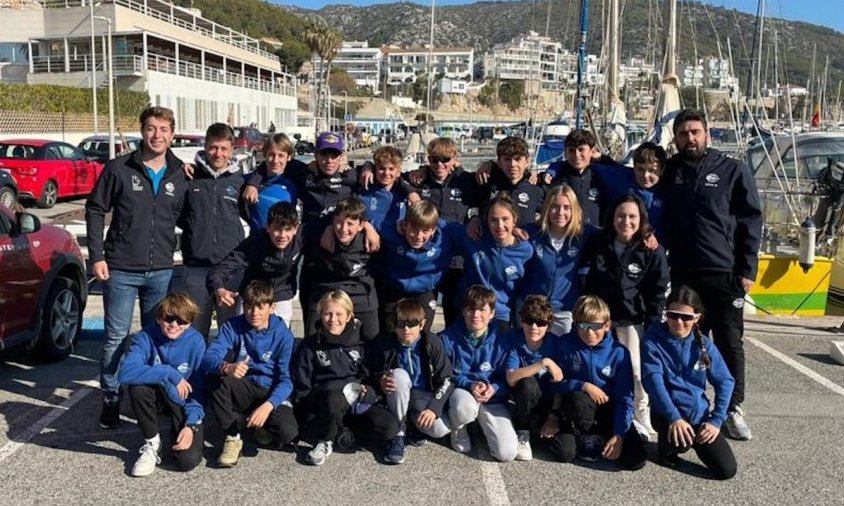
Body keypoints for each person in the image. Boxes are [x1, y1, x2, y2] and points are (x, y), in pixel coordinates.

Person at [662, 109, 762, 440]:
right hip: (685, 274)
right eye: (682, 134)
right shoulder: (671, 171)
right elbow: (634, 177)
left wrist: (747, 269)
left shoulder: (732, 169)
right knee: (688, 343)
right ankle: (692, 406)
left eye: (695, 132)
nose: (689, 138)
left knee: (730, 342)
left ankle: (732, 408)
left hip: (725, 273)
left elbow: (751, 220)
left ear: (707, 134)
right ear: (675, 139)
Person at [86, 106, 187, 429]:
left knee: (155, 337)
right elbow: (95, 209)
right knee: (116, 336)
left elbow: (187, 216)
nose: (157, 135)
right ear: (142, 131)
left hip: (160, 270)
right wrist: (97, 255)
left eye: (163, 129)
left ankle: (148, 395)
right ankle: (111, 398)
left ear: (172, 134)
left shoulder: (179, 173)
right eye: (151, 128)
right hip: (120, 268)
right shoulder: (119, 168)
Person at [580, 194, 669, 437]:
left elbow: (658, 292)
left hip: (631, 320)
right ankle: (605, 415)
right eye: (621, 215)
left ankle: (641, 413)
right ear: (612, 217)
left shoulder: (651, 250)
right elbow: (585, 273)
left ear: (642, 220)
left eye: (632, 216)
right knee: (599, 368)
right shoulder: (598, 240)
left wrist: (652, 327)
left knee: (636, 371)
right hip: (600, 320)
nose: (626, 221)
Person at [292, 290, 400, 466]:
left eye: (339, 314)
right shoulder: (310, 345)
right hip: (326, 402)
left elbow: (371, 376)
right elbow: (303, 386)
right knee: (334, 394)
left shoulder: (362, 343)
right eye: (328, 314)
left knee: (389, 428)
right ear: (321, 315)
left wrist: (370, 390)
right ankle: (325, 441)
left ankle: (344, 432)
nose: (333, 319)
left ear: (349, 316)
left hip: (357, 402)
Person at [642, 285, 738, 480]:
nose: (678, 321)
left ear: (697, 318)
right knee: (680, 444)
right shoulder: (652, 341)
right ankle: (667, 446)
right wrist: (674, 418)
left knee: (726, 470)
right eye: (673, 315)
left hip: (699, 415)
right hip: (668, 413)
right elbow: (654, 383)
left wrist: (715, 420)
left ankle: (687, 436)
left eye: (686, 317)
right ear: (666, 314)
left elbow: (726, 381)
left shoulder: (704, 344)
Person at [201, 280, 299, 468]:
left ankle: (257, 424)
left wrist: (268, 406)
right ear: (243, 306)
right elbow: (208, 358)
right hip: (244, 385)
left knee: (288, 433)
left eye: (261, 307)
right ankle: (233, 436)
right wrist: (226, 367)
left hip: (269, 390)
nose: (254, 313)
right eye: (249, 307)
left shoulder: (283, 335)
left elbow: (287, 381)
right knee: (215, 377)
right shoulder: (233, 326)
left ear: (272, 308)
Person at [549, 295, 646, 470]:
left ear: (607, 325)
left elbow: (625, 398)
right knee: (564, 453)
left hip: (609, 409)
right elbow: (554, 383)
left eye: (595, 327)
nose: (589, 332)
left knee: (636, 460)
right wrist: (583, 385)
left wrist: (619, 435)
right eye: (583, 326)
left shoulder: (620, 352)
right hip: (578, 406)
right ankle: (587, 435)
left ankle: (605, 434)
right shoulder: (565, 344)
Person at [118, 293, 206, 477]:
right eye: (169, 318)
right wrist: (168, 373)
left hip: (182, 402)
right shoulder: (144, 337)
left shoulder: (196, 341)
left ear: (189, 322)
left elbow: (199, 390)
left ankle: (182, 429)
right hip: (157, 395)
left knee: (186, 461)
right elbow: (126, 373)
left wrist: (191, 425)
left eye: (182, 320)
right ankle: (152, 443)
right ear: (159, 318)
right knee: (138, 386)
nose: (174, 324)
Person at [174, 123, 245, 340]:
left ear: (232, 150)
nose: (218, 154)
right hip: (197, 267)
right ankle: (197, 372)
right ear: (205, 146)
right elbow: (178, 214)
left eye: (224, 149)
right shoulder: (190, 177)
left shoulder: (241, 181)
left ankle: (225, 371)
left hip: (229, 269)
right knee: (195, 330)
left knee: (229, 330)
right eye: (213, 148)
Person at [403, 137, 480, 327]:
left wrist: (476, 217)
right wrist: (411, 191)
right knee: (423, 322)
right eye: (434, 159)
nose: (440, 164)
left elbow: (488, 193)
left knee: (455, 322)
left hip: (457, 263)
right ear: (428, 159)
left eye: (445, 159)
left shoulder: (467, 181)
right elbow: (392, 175)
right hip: (428, 263)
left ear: (455, 159)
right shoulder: (418, 180)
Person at [368, 299, 455, 464]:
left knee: (439, 430)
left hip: (423, 395)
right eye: (401, 325)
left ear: (422, 324)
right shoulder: (384, 344)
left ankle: (412, 423)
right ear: (394, 325)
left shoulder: (432, 342)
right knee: (399, 375)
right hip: (396, 395)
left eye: (412, 324)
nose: (406, 329)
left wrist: (433, 408)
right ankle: (399, 434)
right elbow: (370, 373)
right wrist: (380, 380)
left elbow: (447, 379)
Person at [440, 285, 518, 462]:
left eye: (482, 310)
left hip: (492, 398)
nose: (476, 315)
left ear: (492, 314)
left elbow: (509, 378)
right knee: (464, 408)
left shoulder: (503, 341)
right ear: (463, 311)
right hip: (463, 393)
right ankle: (459, 427)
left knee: (506, 454)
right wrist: (469, 384)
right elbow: (445, 374)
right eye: (470, 309)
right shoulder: (447, 338)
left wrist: (495, 388)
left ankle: (484, 423)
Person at [208, 202, 302, 326]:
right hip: (252, 297)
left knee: (278, 336)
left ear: (295, 229)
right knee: (245, 337)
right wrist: (219, 289)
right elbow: (220, 270)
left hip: (281, 296)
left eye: (288, 230)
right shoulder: (254, 243)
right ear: (268, 227)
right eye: (277, 229)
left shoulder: (303, 238)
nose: (282, 236)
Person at [451, 193, 534, 332]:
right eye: (493, 220)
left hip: (500, 316)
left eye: (505, 219)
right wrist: (474, 218)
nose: (500, 225)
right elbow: (444, 228)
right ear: (487, 222)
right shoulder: (475, 237)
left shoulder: (526, 251)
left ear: (514, 220)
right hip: (469, 312)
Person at [519, 184, 596, 335]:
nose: (560, 212)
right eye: (554, 206)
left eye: (567, 207)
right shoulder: (531, 233)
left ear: (574, 210)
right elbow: (502, 227)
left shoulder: (584, 235)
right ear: (546, 208)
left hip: (565, 311)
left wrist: (647, 233)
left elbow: (615, 233)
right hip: (533, 310)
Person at [302, 197, 380, 340]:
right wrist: (328, 227)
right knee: (312, 337)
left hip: (360, 293)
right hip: (326, 290)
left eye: (350, 224)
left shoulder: (371, 240)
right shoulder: (320, 235)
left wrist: (370, 228)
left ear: (361, 225)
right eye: (338, 223)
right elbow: (301, 229)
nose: (344, 229)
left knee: (373, 338)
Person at [376, 200, 458, 333]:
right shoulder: (392, 232)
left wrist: (475, 220)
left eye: (425, 231)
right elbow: (369, 223)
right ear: (405, 225)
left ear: (433, 230)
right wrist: (369, 230)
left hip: (425, 291)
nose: (419, 236)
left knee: (422, 334)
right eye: (414, 229)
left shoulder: (446, 236)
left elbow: (469, 233)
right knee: (390, 333)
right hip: (395, 288)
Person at [504, 295, 564, 461]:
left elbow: (561, 384)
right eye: (529, 321)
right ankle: (523, 431)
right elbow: (511, 378)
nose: (534, 327)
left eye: (541, 323)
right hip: (522, 400)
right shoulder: (514, 339)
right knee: (527, 382)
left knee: (564, 452)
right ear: (522, 321)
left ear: (549, 325)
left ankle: (543, 425)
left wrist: (554, 416)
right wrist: (543, 363)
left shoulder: (556, 343)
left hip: (548, 403)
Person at [543, 129, 610, 226]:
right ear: (565, 152)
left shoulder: (602, 176)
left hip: (596, 238)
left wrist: (603, 158)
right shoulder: (554, 178)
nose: (576, 155)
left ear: (593, 151)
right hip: (566, 237)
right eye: (571, 150)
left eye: (581, 149)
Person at [475, 136, 545, 225]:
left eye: (518, 159)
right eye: (507, 159)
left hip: (523, 238)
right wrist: (474, 219)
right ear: (499, 162)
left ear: (527, 161)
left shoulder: (536, 189)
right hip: (490, 237)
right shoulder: (487, 181)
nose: (512, 164)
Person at [358, 145, 411, 231]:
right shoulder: (364, 188)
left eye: (391, 169)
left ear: (398, 172)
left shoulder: (404, 193)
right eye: (382, 168)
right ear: (375, 169)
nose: (386, 173)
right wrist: (367, 165)